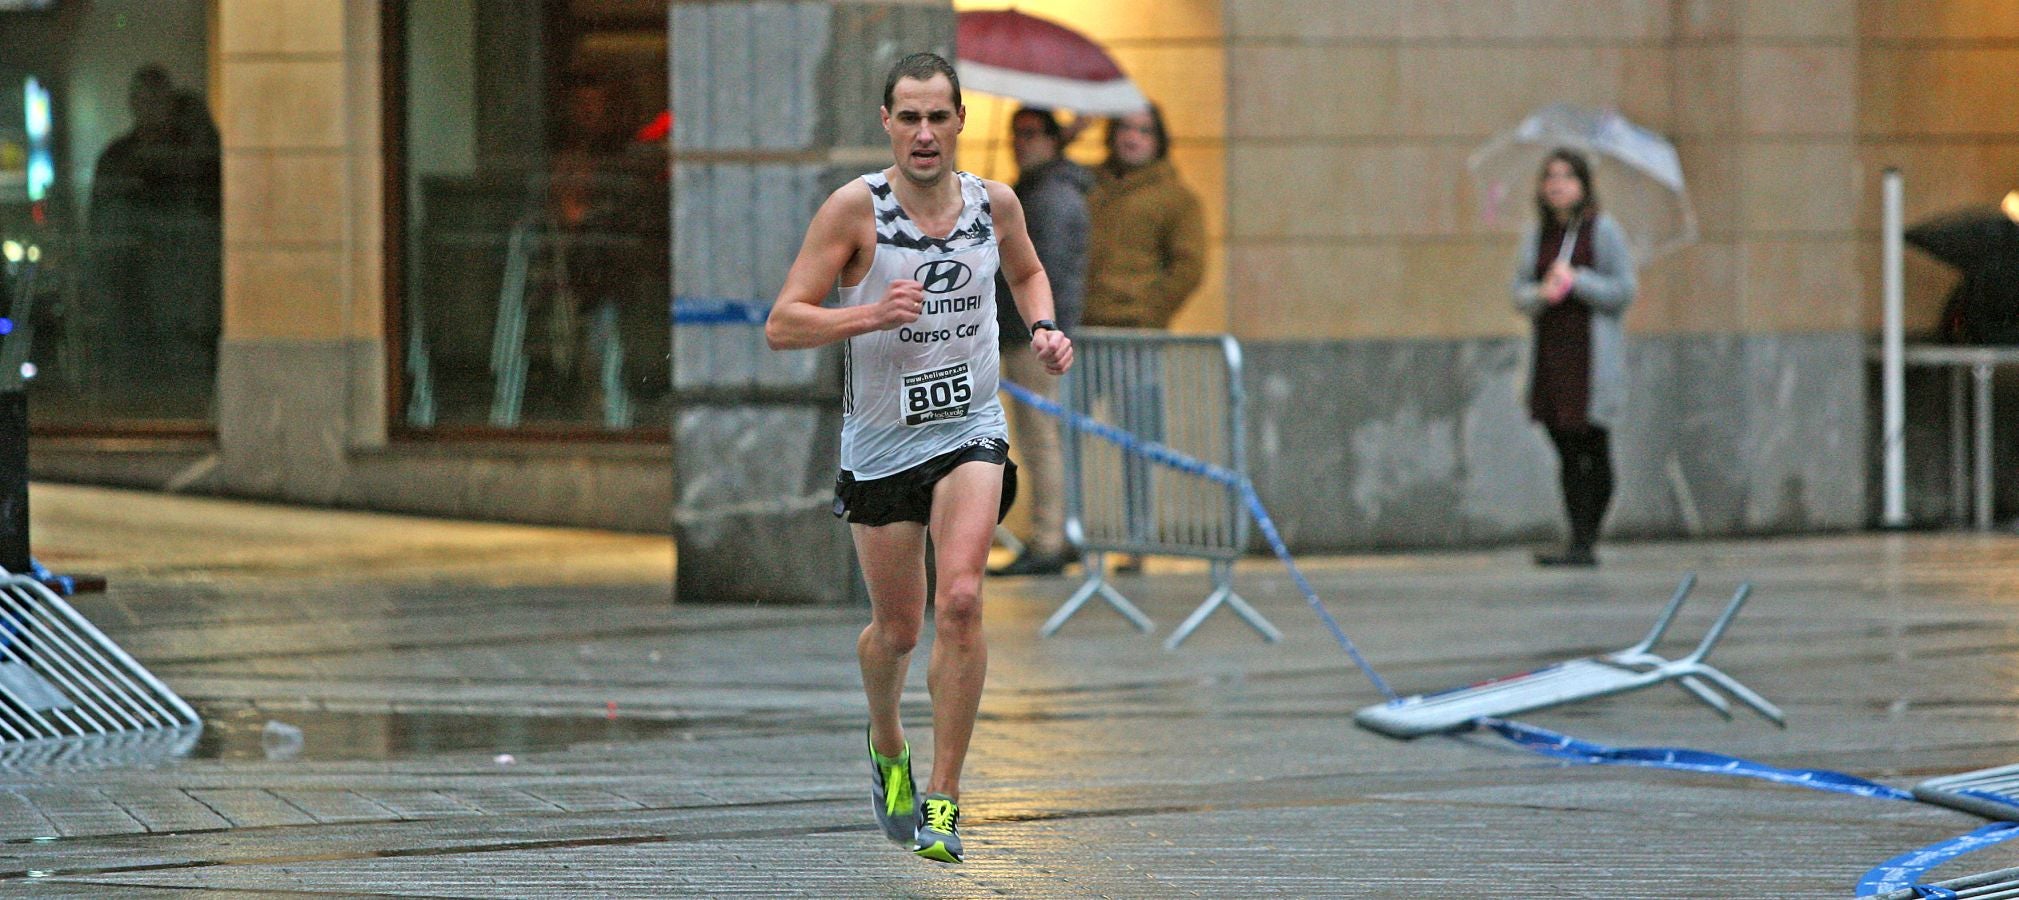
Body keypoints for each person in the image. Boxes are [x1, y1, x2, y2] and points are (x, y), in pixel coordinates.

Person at [764, 52, 1073, 864]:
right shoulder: (853, 211)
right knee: (897, 632)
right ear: (887, 123)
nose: (925, 133)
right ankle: (887, 741)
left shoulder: (992, 204)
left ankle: (944, 797)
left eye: (939, 116)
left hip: (968, 427)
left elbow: (1029, 270)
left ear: (962, 120)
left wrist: (1042, 325)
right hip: (880, 446)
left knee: (963, 599)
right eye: (909, 117)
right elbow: (784, 322)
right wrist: (864, 316)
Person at [1081, 103, 1205, 572]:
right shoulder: (1091, 188)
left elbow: (1189, 266)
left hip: (1135, 336)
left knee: (1137, 438)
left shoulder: (1175, 198)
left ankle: (1137, 537)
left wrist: (1148, 313)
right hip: (1084, 331)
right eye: (1126, 129)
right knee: (1066, 435)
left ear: (1159, 140)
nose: (1133, 138)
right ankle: (1073, 529)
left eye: (1145, 131)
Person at [1509, 148, 1636, 567]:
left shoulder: (1603, 232)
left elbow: (1622, 292)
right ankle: (1576, 536)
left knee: (1592, 445)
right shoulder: (1538, 236)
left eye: (1567, 177)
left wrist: (1579, 281)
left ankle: (1587, 536)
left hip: (1589, 359)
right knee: (1563, 446)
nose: (1557, 184)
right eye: (1551, 177)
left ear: (1583, 186)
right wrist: (1542, 293)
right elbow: (1519, 294)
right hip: (1553, 354)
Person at [989, 107, 1090, 578]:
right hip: (1030, 333)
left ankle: (1051, 538)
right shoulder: (1033, 191)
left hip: (1035, 336)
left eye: (1031, 134)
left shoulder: (1048, 198)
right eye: (1016, 134)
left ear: (1052, 140)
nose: (1020, 142)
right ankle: (1053, 533)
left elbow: (1036, 272)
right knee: (1038, 438)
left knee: (1041, 438)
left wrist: (1041, 328)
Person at [87, 65, 221, 395]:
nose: (151, 108)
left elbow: (210, 216)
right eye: (143, 100)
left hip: (183, 299)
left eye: (158, 100)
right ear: (132, 103)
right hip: (127, 293)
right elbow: (99, 224)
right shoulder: (116, 157)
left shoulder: (196, 156)